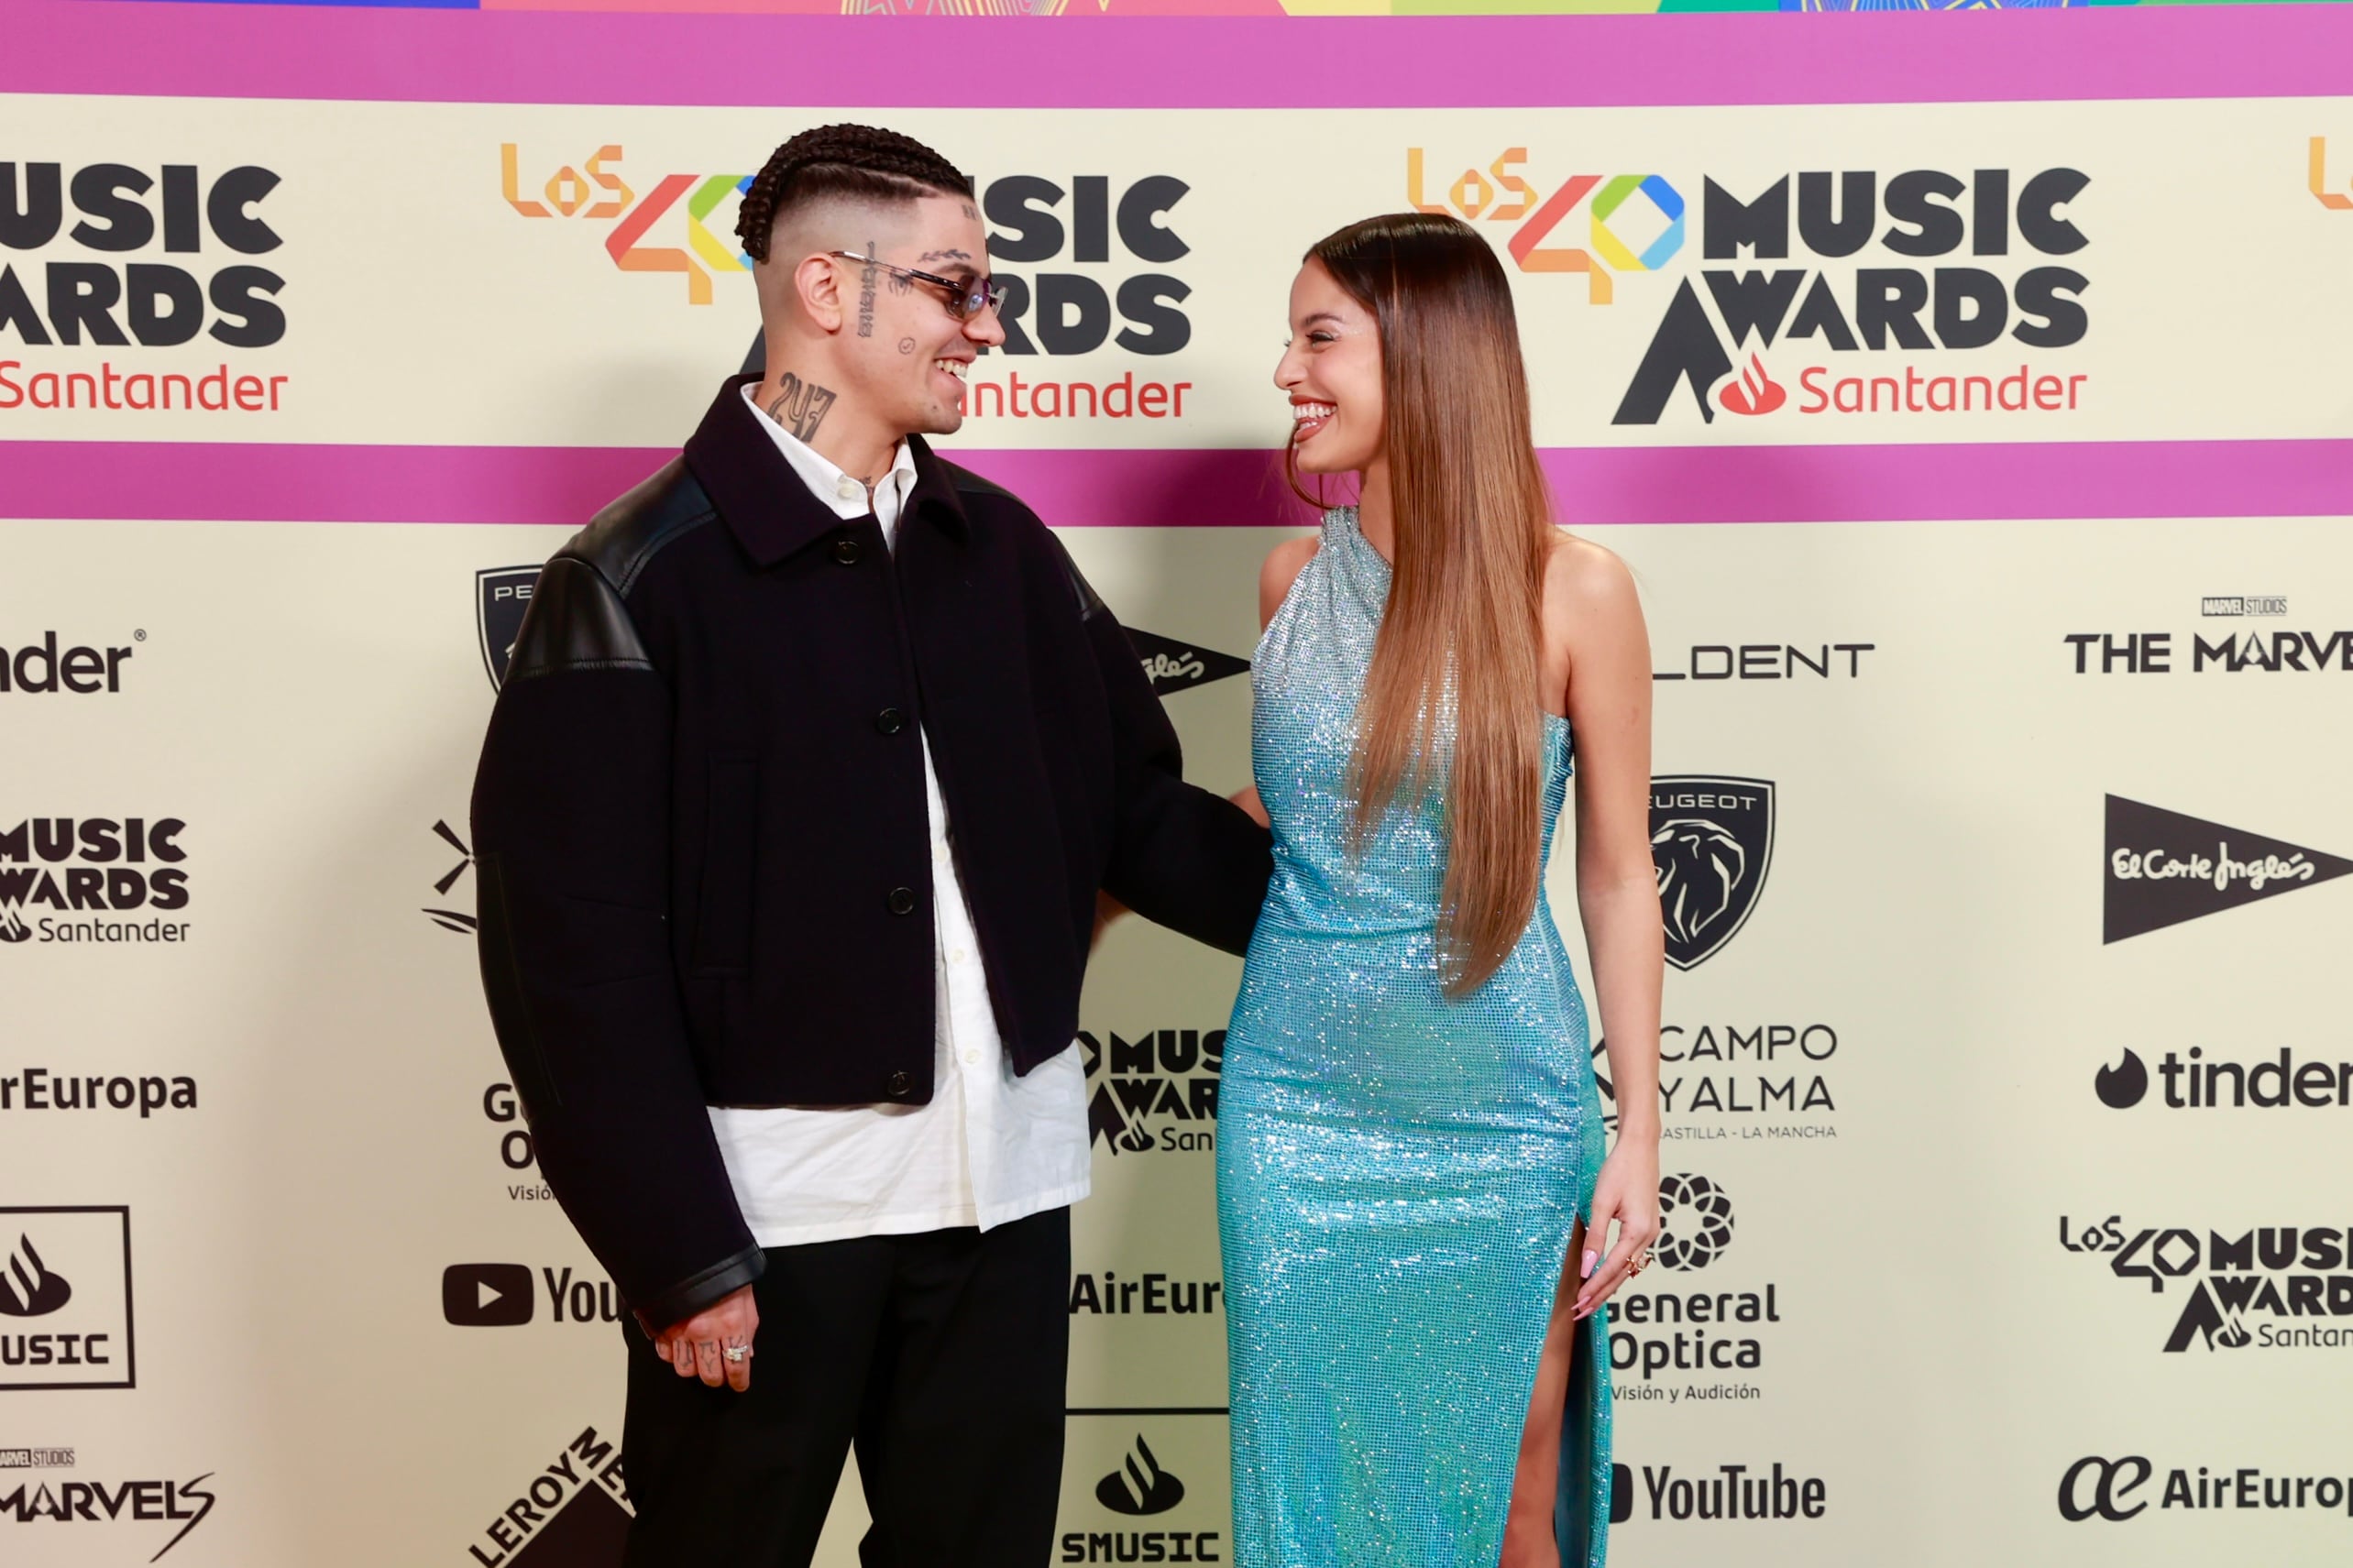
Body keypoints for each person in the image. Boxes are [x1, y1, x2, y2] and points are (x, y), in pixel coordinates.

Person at [468, 124, 1270, 1568]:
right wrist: (680, 1254)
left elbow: (1136, 817)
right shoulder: (640, 573)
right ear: (829, 291)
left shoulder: (1004, 552)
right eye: (959, 288)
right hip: (766, 1233)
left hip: (1003, 1208)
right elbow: (569, 960)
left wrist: (1369, 911)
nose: (990, 325)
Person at [1218, 212, 1665, 1568]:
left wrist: (1637, 1125)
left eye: (1318, 336)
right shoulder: (1291, 580)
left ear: (1426, 358)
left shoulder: (1574, 590)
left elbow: (1619, 873)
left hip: (1503, 1114)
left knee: (1513, 1501)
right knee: (1311, 1504)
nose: (1288, 371)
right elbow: (1300, 820)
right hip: (1295, 1109)